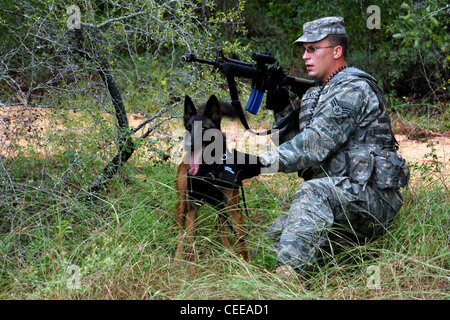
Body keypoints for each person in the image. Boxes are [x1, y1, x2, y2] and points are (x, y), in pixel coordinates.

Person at [233, 17, 409, 276]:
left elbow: (313, 145)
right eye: (304, 50)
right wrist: (282, 111)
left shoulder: (352, 88)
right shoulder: (319, 92)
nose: (305, 56)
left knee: (312, 191)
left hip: (372, 197)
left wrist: (258, 163)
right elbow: (303, 154)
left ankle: (286, 282)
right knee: (270, 244)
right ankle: (347, 260)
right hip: (341, 199)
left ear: (337, 51)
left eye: (313, 48)